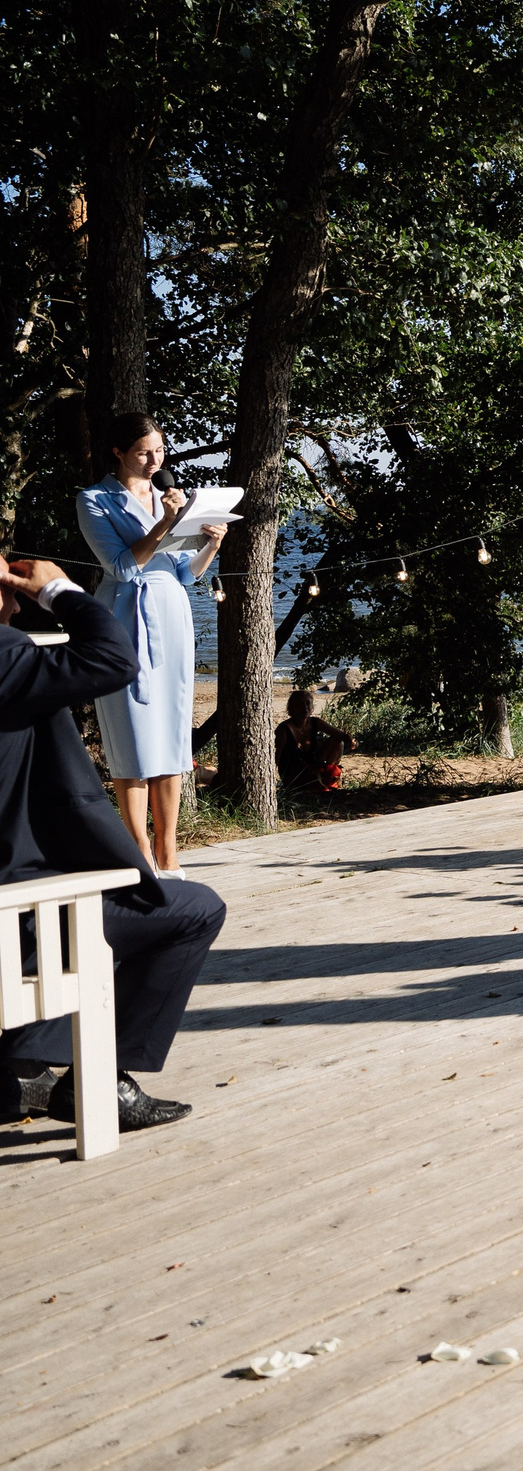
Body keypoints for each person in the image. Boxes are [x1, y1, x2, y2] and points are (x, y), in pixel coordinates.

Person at [0, 556, 226, 1131]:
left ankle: (21, 1068)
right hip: (14, 916)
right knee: (194, 908)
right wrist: (59, 591)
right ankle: (99, 1079)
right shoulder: (5, 660)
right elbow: (114, 657)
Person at [72, 413, 226, 877]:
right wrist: (165, 523)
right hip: (125, 617)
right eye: (144, 452)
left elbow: (184, 572)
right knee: (133, 734)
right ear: (118, 452)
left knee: (173, 735)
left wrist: (210, 544)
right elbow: (121, 566)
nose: (155, 460)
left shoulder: (168, 496)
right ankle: (139, 850)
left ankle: (169, 851)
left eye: (160, 450)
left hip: (172, 614)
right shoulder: (94, 499)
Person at [274, 689, 351, 791]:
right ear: (292, 707)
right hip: (293, 772)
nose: (305, 707)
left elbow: (340, 735)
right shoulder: (284, 729)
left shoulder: (315, 722)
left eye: (308, 704)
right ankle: (323, 780)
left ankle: (328, 776)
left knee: (337, 742)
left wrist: (351, 741)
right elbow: (276, 757)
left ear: (312, 707)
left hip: (313, 767)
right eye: (300, 704)